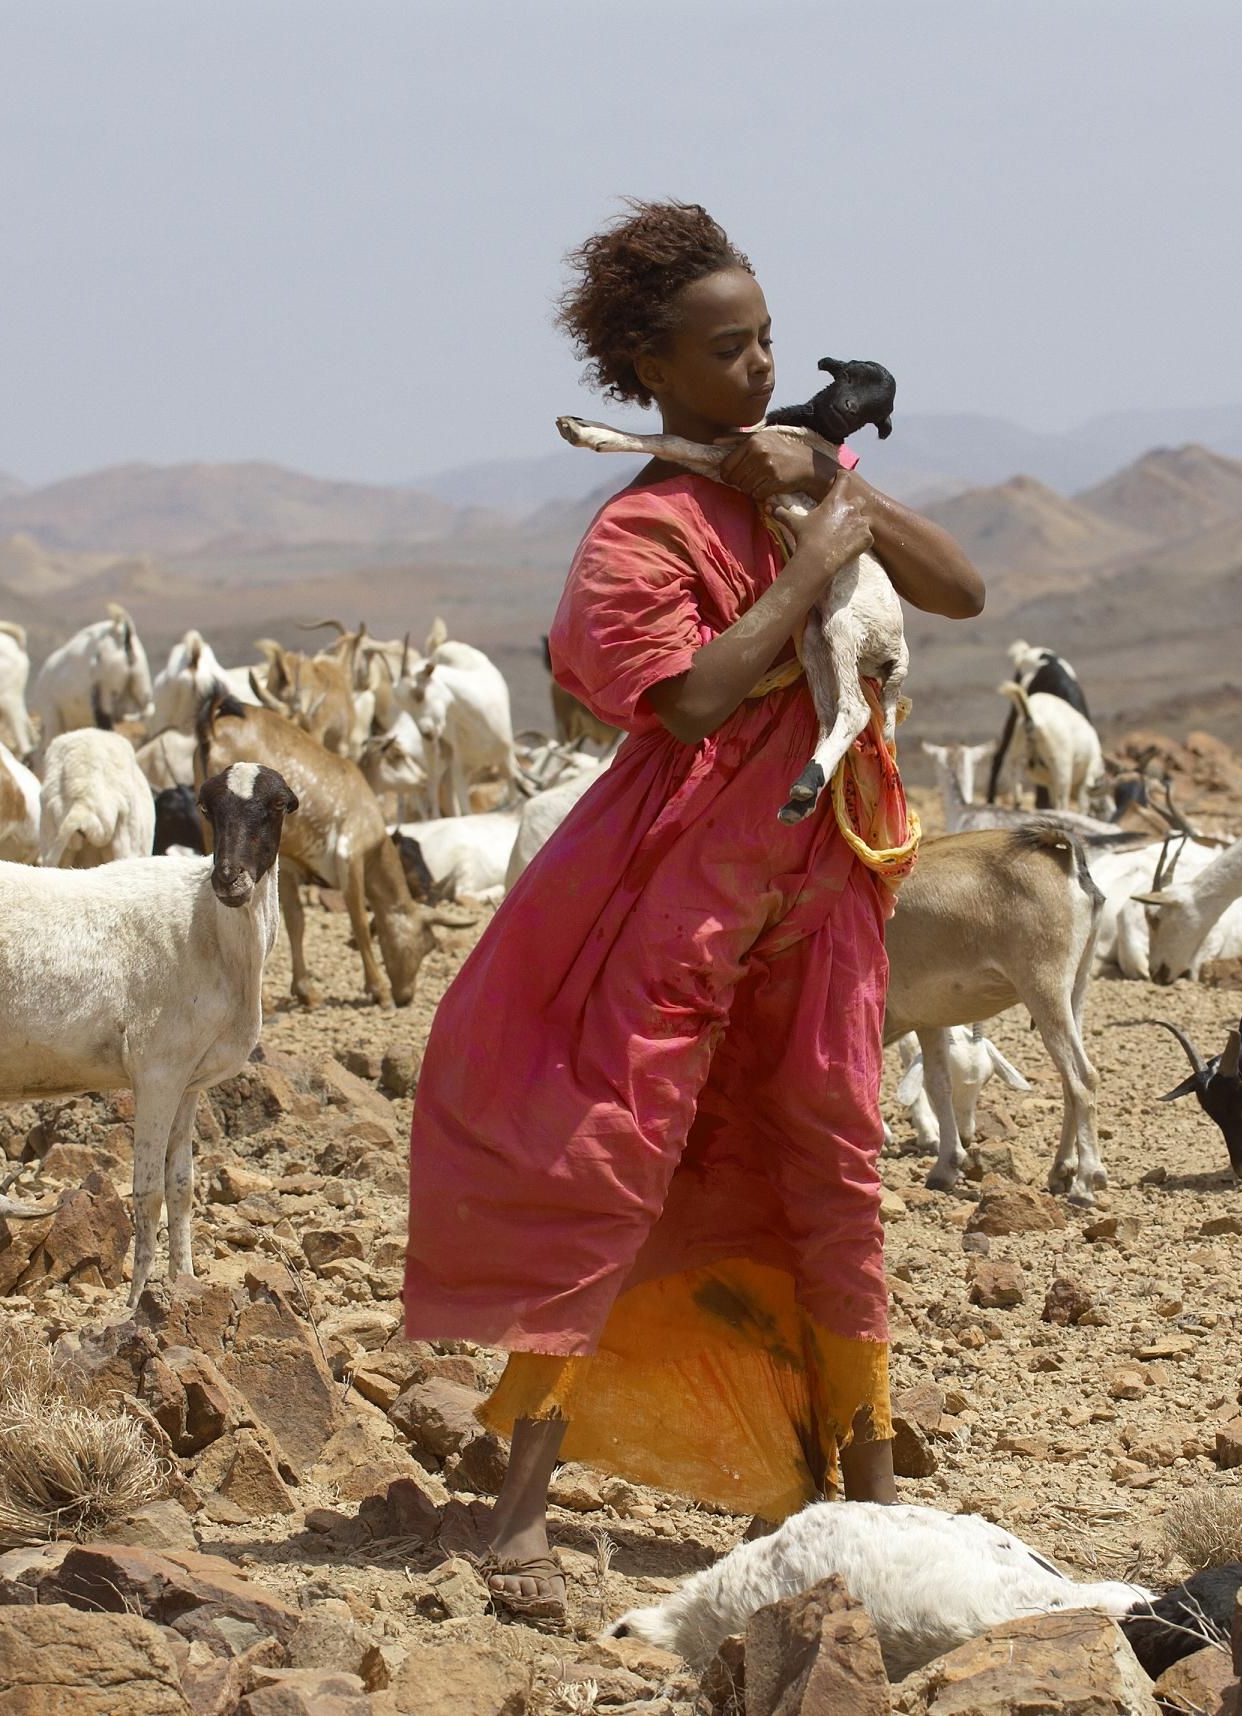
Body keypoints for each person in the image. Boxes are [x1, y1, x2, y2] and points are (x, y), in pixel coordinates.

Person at [401, 200, 985, 1624]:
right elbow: (696, 697)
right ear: (651, 369)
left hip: (828, 890)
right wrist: (810, 553)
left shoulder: (796, 473)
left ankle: (862, 1488)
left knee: (836, 1161)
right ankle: (521, 1503)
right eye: (727, 351)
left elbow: (959, 592)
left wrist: (843, 491)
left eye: (769, 341)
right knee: (621, 1160)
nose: (759, 367)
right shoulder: (638, 534)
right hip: (679, 898)